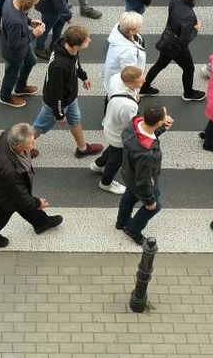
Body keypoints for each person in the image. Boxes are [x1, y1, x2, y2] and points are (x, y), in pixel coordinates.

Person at [0, 122, 62, 247]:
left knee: (22, 204)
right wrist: (38, 203)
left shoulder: (9, 134)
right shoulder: (10, 171)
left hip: (4, 182)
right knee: (0, 214)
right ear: (18, 145)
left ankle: (41, 222)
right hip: (4, 194)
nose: (34, 145)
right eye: (30, 143)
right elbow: (21, 196)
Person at [32, 25, 103, 159]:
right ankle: (20, 148)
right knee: (38, 127)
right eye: (86, 40)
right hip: (56, 103)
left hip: (70, 97)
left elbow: (75, 63)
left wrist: (83, 76)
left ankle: (82, 148)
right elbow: (55, 93)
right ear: (76, 45)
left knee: (75, 120)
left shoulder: (68, 47)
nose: (89, 40)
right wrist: (59, 114)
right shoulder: (60, 66)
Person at [141, 0, 206, 102]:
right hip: (177, 46)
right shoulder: (189, 16)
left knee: (160, 64)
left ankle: (144, 86)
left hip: (167, 38)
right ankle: (188, 93)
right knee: (189, 68)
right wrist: (196, 29)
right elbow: (185, 40)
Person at [117, 101, 171, 245]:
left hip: (129, 174)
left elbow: (144, 135)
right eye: (164, 116)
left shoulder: (134, 124)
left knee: (129, 195)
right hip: (141, 180)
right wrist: (149, 201)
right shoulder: (146, 154)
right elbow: (143, 180)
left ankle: (121, 222)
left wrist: (161, 128)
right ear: (158, 122)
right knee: (156, 205)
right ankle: (133, 229)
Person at [94, 65, 144, 195]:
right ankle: (106, 183)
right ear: (130, 83)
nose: (143, 82)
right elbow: (131, 124)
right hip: (118, 135)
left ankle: (98, 164)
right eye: (140, 81)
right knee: (116, 160)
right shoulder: (128, 105)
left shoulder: (117, 79)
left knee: (112, 150)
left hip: (110, 125)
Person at [0, 0, 43, 108]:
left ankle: (20, 87)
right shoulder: (15, 21)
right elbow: (15, 45)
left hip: (22, 40)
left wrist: (29, 22)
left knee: (31, 61)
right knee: (12, 74)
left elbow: (20, 15)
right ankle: (5, 96)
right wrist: (34, 34)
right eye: (33, 4)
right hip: (14, 52)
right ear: (27, 4)